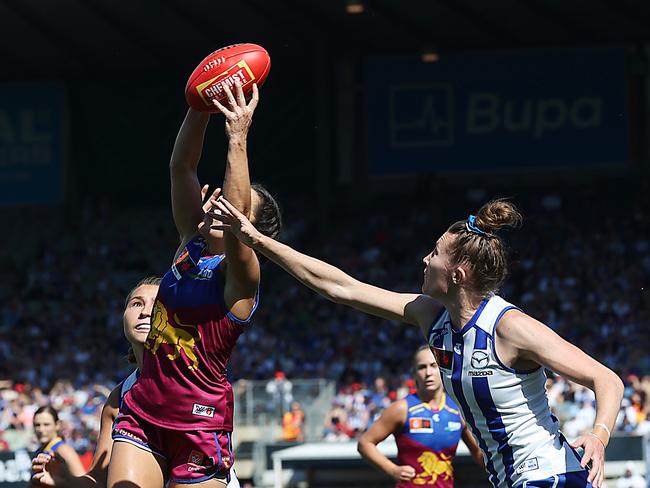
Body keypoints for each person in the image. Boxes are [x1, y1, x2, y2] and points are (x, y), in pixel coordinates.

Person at [207, 197, 623, 488]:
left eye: (435, 253)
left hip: (550, 474)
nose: (425, 260)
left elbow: (607, 380)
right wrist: (258, 242)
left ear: (457, 273)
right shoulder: (432, 316)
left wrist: (599, 438)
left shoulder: (510, 327)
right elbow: (340, 288)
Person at [107, 82, 281, 488]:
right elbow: (181, 167)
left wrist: (237, 137)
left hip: (199, 427)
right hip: (143, 413)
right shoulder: (191, 243)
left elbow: (236, 216)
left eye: (236, 204)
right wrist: (200, 102)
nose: (223, 204)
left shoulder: (242, 275)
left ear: (252, 230)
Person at [31, 277, 162, 488]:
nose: (145, 311)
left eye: (156, 304)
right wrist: (67, 481)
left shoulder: (201, 372)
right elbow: (99, 480)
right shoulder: (117, 398)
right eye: (136, 303)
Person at [358, 346, 483, 487]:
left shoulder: (458, 410)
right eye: (422, 367)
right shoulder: (401, 408)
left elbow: (480, 454)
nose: (428, 372)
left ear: (443, 368)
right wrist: (392, 469)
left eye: (433, 366)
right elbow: (365, 443)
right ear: (414, 373)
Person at [32, 406, 85, 477]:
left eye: (46, 424)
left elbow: (82, 481)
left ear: (57, 425)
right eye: (37, 425)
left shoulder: (63, 450)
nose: (41, 429)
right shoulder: (39, 451)